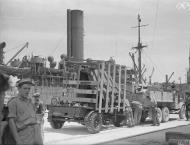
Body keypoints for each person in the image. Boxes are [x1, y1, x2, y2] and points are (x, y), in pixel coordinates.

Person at [7, 78, 43, 145]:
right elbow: (11, 123)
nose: (27, 91)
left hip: (36, 137)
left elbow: (33, 116)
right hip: (24, 139)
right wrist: (18, 141)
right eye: (25, 88)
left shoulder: (30, 102)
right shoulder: (13, 102)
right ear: (19, 89)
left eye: (29, 89)